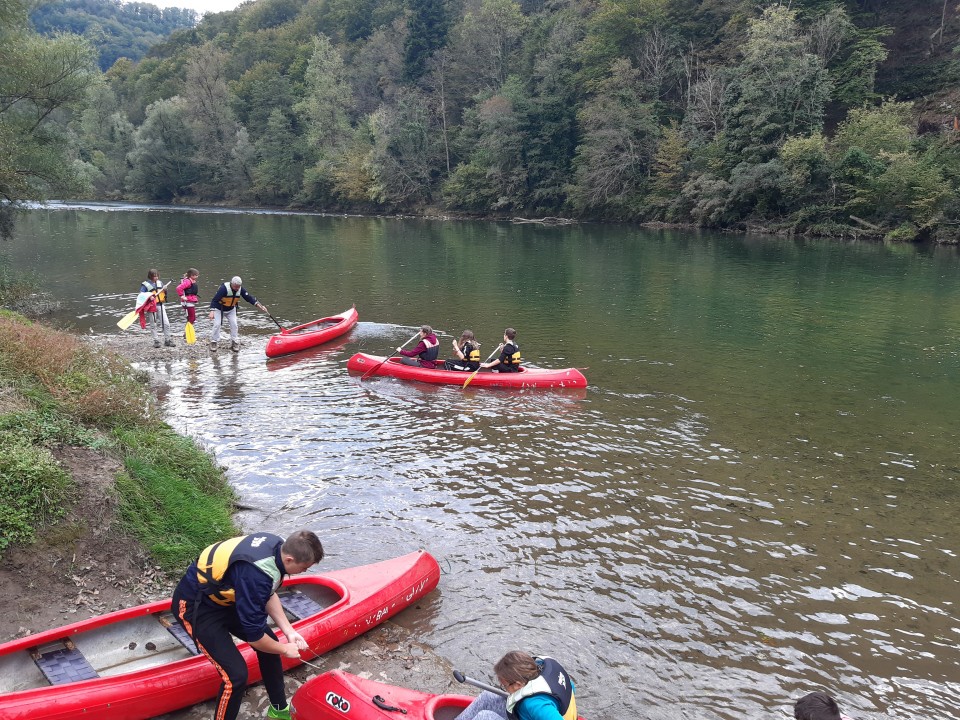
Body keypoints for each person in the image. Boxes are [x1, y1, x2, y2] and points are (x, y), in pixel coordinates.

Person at [171, 530, 325, 720]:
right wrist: (285, 649)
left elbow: (269, 593)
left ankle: (278, 710)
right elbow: (256, 638)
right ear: (290, 560)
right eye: (304, 568)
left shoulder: (277, 548)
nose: (305, 572)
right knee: (235, 677)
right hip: (196, 608)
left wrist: (289, 631)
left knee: (271, 645)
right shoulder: (255, 574)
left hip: (227, 600)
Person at [456, 651, 577, 720]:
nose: (504, 688)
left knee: (485, 717)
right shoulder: (542, 671)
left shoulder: (535, 705)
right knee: (489, 696)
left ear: (518, 684)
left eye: (504, 685)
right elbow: (571, 688)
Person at [208, 275, 268, 352]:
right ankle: (214, 341)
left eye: (238, 286)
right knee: (217, 324)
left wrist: (260, 306)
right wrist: (212, 311)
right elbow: (214, 300)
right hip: (219, 309)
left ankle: (234, 341)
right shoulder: (223, 289)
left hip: (231, 309)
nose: (237, 288)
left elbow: (249, 298)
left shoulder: (240, 289)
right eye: (235, 286)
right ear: (231, 284)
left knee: (234, 324)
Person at [137, 268, 173, 348]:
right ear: (150, 276)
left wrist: (165, 290)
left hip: (160, 305)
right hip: (151, 306)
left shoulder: (160, 283)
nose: (156, 278)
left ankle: (167, 340)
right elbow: (141, 295)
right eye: (154, 276)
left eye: (157, 276)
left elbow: (163, 293)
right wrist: (149, 297)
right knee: (153, 324)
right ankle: (156, 341)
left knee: (166, 323)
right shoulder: (145, 285)